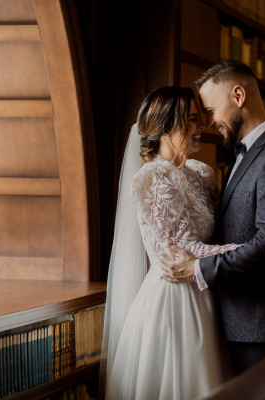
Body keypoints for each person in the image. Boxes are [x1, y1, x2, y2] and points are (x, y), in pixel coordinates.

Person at [160, 59, 265, 374]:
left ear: (238, 96)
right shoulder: (248, 154)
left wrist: (198, 267)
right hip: (242, 325)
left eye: (211, 111)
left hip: (263, 329)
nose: (209, 122)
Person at [100, 86, 241, 400]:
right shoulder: (151, 178)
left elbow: (216, 234)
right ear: (165, 129)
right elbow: (183, 248)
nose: (200, 127)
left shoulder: (200, 174)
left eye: (199, 118)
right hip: (175, 302)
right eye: (191, 120)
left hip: (207, 292)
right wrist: (250, 251)